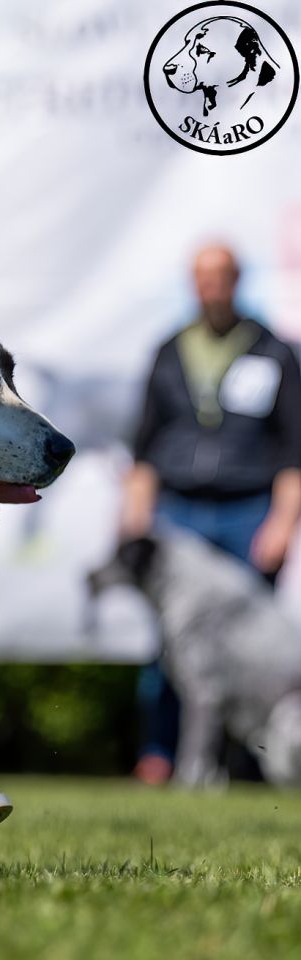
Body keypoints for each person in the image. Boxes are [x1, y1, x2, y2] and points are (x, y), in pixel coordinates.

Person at [120, 242, 301, 785]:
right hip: (180, 513)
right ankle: (161, 752)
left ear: (237, 280)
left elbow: (294, 451)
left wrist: (283, 523)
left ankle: (245, 763)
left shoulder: (272, 351)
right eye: (201, 276)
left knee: (253, 646)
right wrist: (137, 520)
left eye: (220, 275)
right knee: (170, 646)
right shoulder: (169, 351)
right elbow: (144, 446)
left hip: (249, 510)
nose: (210, 285)